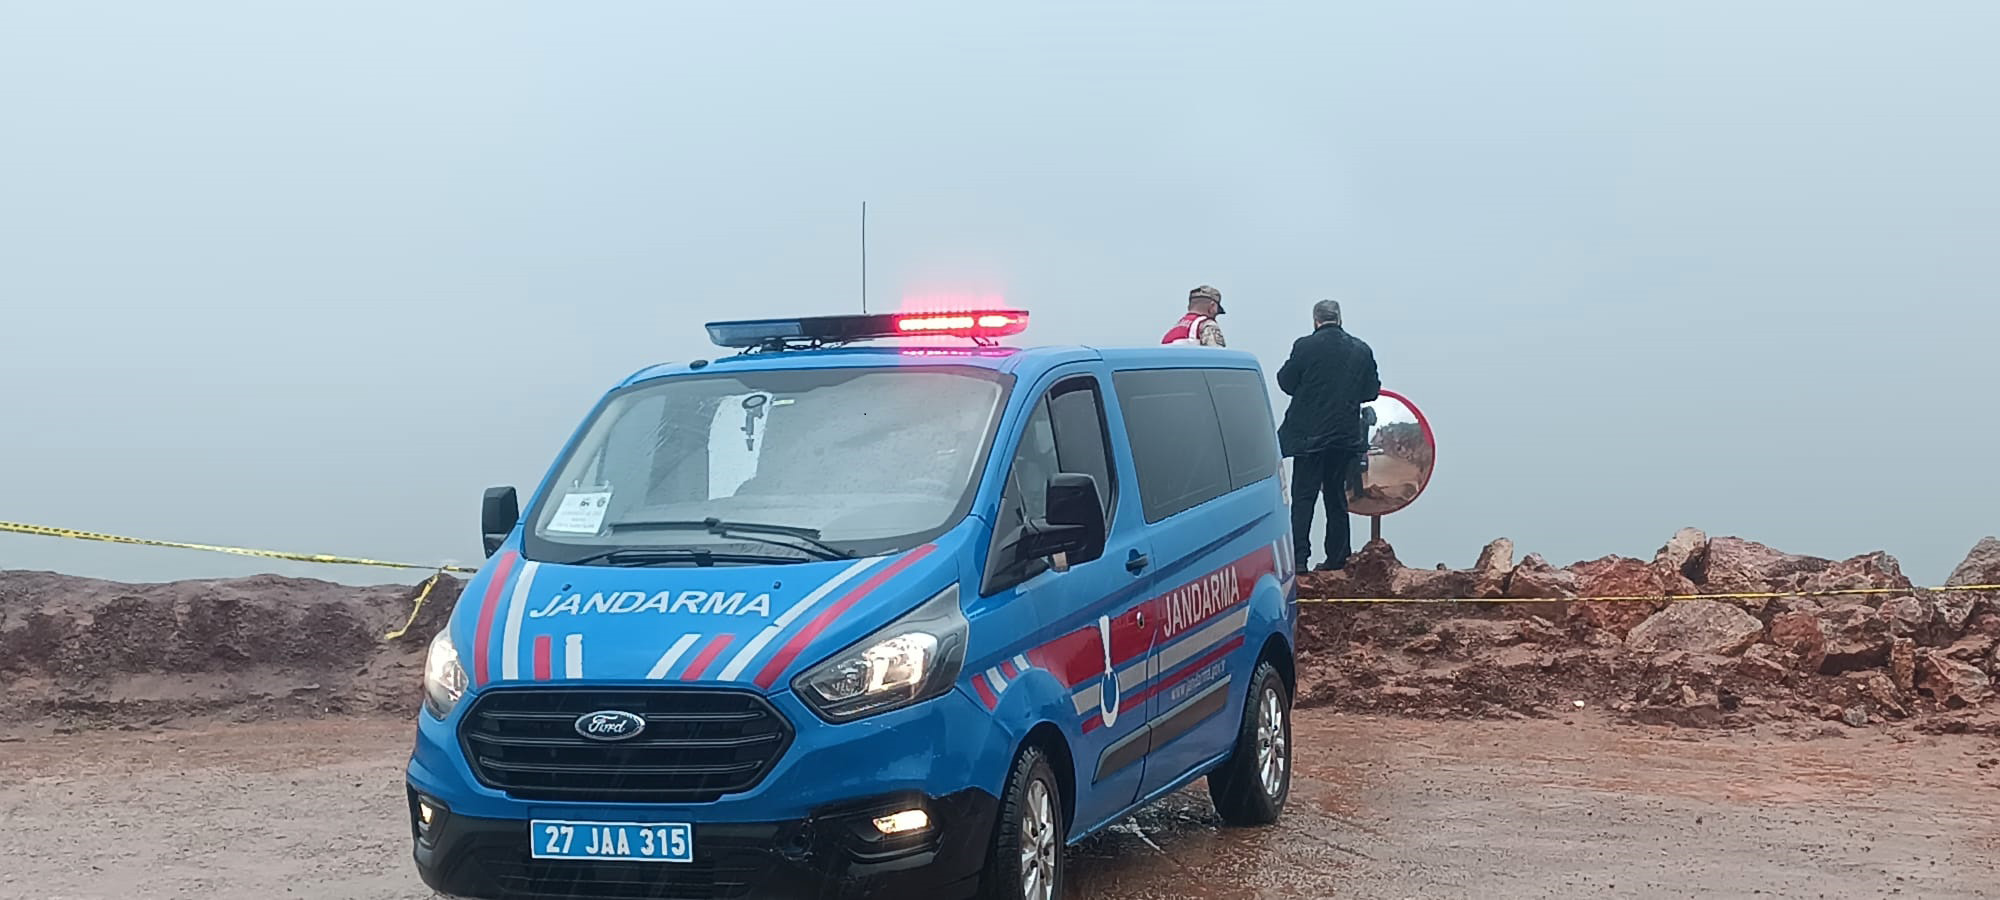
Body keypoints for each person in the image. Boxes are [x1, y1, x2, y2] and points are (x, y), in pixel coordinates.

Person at [1276, 299, 1379, 572]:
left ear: (1316, 320)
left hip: (1308, 437)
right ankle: (1338, 558)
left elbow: (1285, 382)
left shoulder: (1304, 346)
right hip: (1344, 437)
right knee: (1336, 497)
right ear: (1340, 319)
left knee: (1304, 497)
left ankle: (1298, 560)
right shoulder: (1361, 349)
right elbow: (1371, 391)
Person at [1160, 285, 1227, 346]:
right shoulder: (1207, 325)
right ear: (1212, 306)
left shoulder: (1172, 331)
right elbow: (1217, 355)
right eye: (1216, 312)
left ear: (1189, 306)